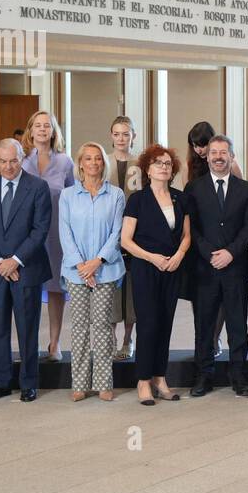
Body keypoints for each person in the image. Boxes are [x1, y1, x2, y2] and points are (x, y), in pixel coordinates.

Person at [0, 138, 53, 402]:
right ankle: (1, 382)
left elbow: (40, 229)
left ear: (22, 159)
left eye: (14, 160)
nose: (9, 167)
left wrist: (15, 260)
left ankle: (29, 382)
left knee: (27, 326)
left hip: (27, 268)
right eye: (3, 161)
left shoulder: (38, 187)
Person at [120, 145, 191, 406]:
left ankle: (160, 378)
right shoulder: (137, 200)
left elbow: (186, 235)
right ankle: (142, 380)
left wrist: (179, 256)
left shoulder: (180, 198)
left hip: (172, 268)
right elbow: (125, 240)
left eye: (167, 163)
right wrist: (152, 258)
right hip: (146, 268)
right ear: (147, 169)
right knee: (148, 324)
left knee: (165, 323)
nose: (163, 167)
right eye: (158, 163)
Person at [185, 134, 248, 396]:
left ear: (231, 156)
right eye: (213, 152)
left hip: (235, 267)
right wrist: (210, 253)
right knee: (204, 326)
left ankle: (239, 376)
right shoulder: (195, 188)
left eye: (223, 152)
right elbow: (193, 228)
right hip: (205, 268)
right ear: (207, 156)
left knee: (238, 325)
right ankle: (204, 376)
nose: (217, 157)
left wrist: (230, 253)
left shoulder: (245, 189)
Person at [59, 142, 127, 402]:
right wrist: (80, 265)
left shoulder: (116, 195)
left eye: (98, 158)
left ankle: (103, 383)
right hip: (76, 272)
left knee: (101, 326)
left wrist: (97, 262)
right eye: (88, 158)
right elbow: (64, 233)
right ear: (80, 163)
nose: (94, 163)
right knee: (79, 327)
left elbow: (116, 233)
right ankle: (79, 384)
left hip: (105, 270)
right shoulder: (67, 196)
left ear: (103, 163)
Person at [20, 110, 76, 361]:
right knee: (27, 288)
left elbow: (74, 199)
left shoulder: (65, 162)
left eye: (47, 126)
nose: (42, 130)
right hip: (26, 233)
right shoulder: (20, 160)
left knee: (55, 288)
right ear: (30, 131)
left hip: (55, 232)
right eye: (38, 125)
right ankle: (28, 344)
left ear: (54, 132)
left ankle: (54, 343)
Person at [107, 115, 141, 360]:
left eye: (126, 134)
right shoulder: (103, 163)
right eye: (117, 134)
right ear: (111, 136)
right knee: (109, 289)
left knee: (130, 291)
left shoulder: (140, 164)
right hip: (108, 236)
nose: (121, 138)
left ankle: (128, 339)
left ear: (133, 137)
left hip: (134, 237)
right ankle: (110, 336)